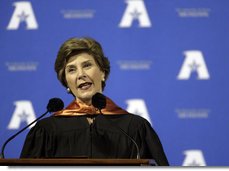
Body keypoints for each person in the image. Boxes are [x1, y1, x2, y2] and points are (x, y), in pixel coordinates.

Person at [20, 37, 169, 166]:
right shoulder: (46, 130)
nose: (80, 75)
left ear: (102, 72)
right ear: (66, 82)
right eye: (71, 70)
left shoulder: (135, 128)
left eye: (87, 65)